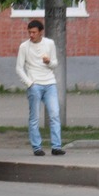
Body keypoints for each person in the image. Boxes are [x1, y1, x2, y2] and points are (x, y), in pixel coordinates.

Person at [16, 19, 62, 156]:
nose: (31, 35)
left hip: (49, 83)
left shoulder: (49, 43)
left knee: (54, 114)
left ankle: (56, 146)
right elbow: (19, 68)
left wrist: (49, 62)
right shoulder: (24, 47)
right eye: (29, 32)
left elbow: (55, 64)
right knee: (34, 117)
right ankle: (37, 147)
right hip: (34, 84)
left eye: (34, 32)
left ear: (41, 32)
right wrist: (29, 83)